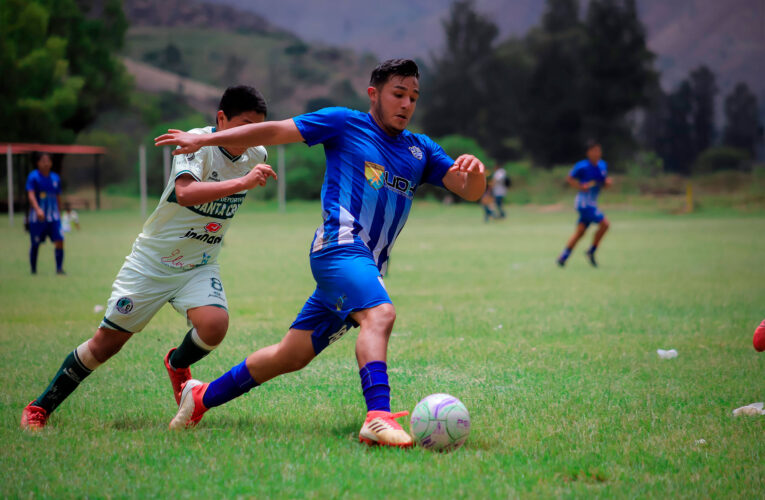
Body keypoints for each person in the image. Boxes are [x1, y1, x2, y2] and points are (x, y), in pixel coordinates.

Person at [154, 59, 486, 447]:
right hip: (339, 249)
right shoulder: (344, 123)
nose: (407, 104)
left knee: (290, 355)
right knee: (380, 314)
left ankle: (200, 397)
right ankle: (378, 416)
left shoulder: (421, 149)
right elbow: (277, 130)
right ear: (374, 94)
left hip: (362, 265)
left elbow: (470, 191)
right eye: (398, 94)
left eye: (413, 96)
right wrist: (205, 140)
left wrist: (476, 173)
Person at [20, 86, 277, 430]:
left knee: (215, 326)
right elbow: (184, 194)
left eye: (256, 128)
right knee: (105, 346)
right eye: (244, 125)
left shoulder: (256, 152)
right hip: (152, 263)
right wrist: (241, 183)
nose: (250, 135)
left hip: (199, 263)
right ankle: (39, 407)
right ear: (221, 119)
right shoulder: (195, 144)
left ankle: (177, 363)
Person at [557, 140, 612, 267]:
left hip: (592, 203)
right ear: (588, 152)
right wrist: (580, 186)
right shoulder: (581, 166)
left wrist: (607, 184)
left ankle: (563, 257)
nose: (597, 153)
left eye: (599, 150)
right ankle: (591, 251)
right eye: (594, 151)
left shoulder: (603, 166)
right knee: (605, 224)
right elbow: (569, 179)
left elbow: (603, 183)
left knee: (580, 231)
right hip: (584, 203)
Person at [26, 152, 65, 274]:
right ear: (38, 163)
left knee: (59, 240)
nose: (46, 163)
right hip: (38, 218)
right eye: (43, 161)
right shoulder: (33, 177)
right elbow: (31, 195)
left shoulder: (55, 178)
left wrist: (59, 212)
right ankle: (33, 270)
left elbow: (58, 197)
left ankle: (59, 269)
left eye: (48, 161)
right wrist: (37, 209)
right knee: (36, 243)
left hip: (54, 217)